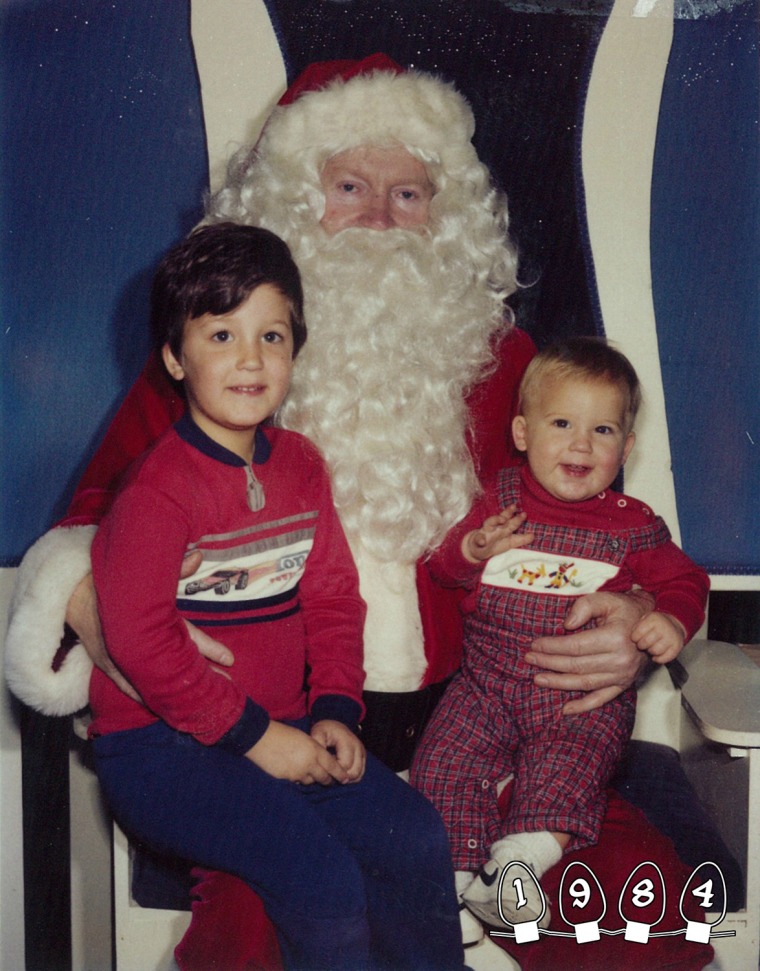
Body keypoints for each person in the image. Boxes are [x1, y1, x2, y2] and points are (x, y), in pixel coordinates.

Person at [5, 57, 714, 971]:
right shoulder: (212, 373)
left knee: (643, 937)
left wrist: (630, 623)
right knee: (278, 929)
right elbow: (93, 526)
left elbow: (600, 529)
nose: (380, 217)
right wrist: (111, 620)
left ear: (447, 216)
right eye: (349, 186)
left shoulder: (514, 370)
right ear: (294, 203)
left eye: (410, 193)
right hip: (259, 739)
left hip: (486, 730)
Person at [89, 221, 464, 971]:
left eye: (273, 335)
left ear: (297, 347)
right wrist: (260, 737)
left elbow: (332, 600)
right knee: (318, 875)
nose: (250, 359)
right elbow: (141, 639)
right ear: (174, 356)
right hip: (159, 750)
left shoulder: (300, 466)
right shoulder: (160, 488)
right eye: (221, 335)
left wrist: (334, 711)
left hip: (281, 725)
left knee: (415, 833)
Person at [410, 337, 709, 939]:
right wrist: (471, 549)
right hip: (485, 683)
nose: (580, 443)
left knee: (568, 771)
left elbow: (685, 579)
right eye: (562, 423)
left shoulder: (633, 524)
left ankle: (517, 868)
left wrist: (671, 616)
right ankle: (457, 881)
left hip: (577, 699)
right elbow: (442, 566)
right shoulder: (495, 500)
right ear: (522, 432)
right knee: (442, 762)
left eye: (602, 431)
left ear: (626, 448)